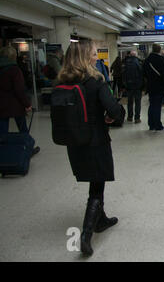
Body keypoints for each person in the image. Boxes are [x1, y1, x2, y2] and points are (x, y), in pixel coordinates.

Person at [57, 39, 124, 256]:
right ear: (86, 58)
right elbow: (114, 110)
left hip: (75, 142)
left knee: (96, 179)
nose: (97, 58)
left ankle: (101, 220)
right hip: (96, 141)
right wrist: (112, 117)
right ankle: (86, 235)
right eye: (94, 54)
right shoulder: (96, 81)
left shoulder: (61, 82)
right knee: (97, 185)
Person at [0, 46, 40, 156]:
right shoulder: (14, 70)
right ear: (13, 56)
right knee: (23, 129)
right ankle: (27, 149)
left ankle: (3, 152)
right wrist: (27, 104)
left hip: (1, 105)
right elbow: (19, 89)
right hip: (15, 105)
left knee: (3, 131)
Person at [143, 44, 164, 131]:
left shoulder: (147, 60)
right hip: (159, 86)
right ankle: (158, 126)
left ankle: (151, 125)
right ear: (159, 50)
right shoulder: (160, 60)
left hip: (150, 86)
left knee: (151, 105)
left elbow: (144, 74)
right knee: (157, 106)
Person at [122, 50, 143, 123]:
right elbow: (142, 75)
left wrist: (125, 85)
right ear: (136, 55)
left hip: (129, 86)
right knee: (138, 102)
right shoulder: (139, 63)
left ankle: (129, 117)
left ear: (130, 55)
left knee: (130, 102)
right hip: (137, 86)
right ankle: (137, 118)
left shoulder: (125, 63)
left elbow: (123, 75)